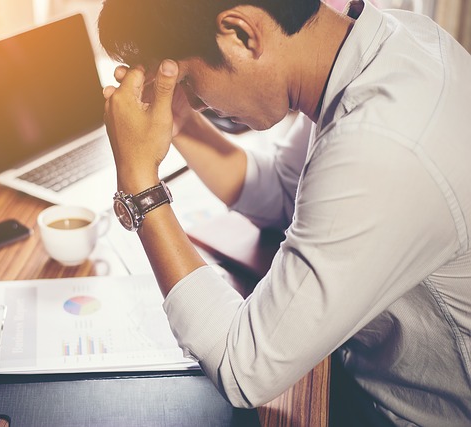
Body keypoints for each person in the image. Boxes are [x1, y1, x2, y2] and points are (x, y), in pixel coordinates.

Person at [98, 0, 471, 425]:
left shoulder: (381, 143)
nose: (196, 102)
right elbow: (280, 192)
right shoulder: (389, 43)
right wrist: (180, 121)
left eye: (188, 81)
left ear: (241, 34)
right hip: (355, 363)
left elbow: (243, 368)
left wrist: (139, 182)